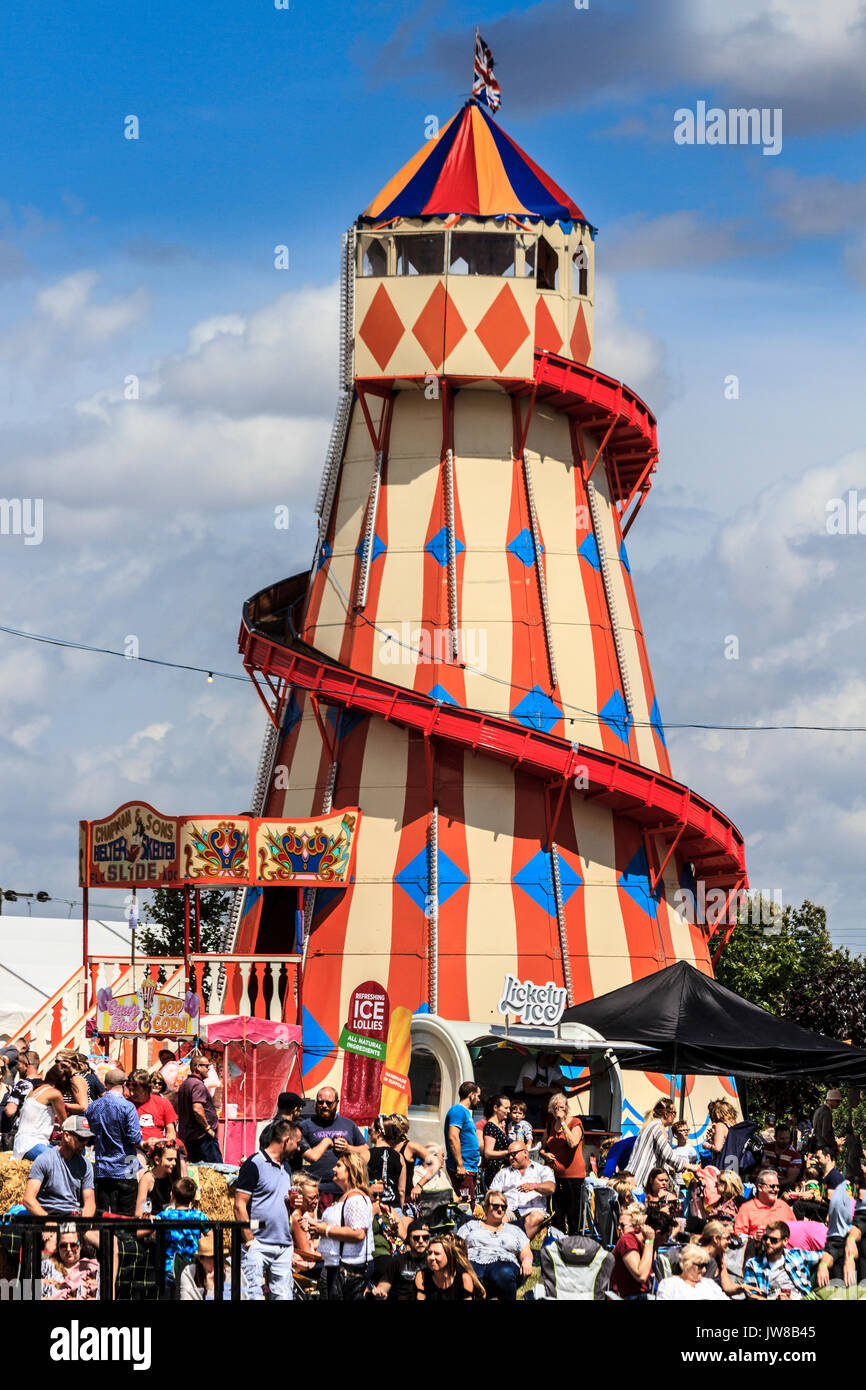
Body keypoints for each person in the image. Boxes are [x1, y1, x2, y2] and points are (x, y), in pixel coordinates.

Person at [234, 1118, 302, 1301]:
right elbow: (239, 1205)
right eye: (297, 1142)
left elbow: (276, 1201)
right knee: (254, 1296)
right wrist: (249, 1240)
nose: (298, 1148)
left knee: (284, 1296)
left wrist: (292, 1203)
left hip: (283, 1245)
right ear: (286, 1140)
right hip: (258, 1244)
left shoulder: (286, 1167)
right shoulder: (254, 1164)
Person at [309, 1153, 375, 1299]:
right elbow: (341, 1226)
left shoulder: (356, 1198)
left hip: (348, 1268)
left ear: (351, 1170)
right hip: (336, 1266)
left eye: (339, 1165)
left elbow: (358, 1233)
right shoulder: (346, 1196)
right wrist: (317, 1227)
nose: (334, 1168)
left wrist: (325, 1230)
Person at [298, 1087, 370, 1206]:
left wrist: (348, 1148)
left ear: (337, 1102)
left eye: (329, 1103)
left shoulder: (348, 1124)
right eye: (321, 1102)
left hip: (345, 1189)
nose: (324, 1106)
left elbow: (365, 1150)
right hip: (316, 1189)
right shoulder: (305, 1125)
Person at [85, 1066, 142, 1215]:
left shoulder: (93, 1107)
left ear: (105, 1085)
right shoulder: (128, 1107)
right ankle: (124, 1239)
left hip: (102, 1165)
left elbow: (89, 1133)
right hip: (128, 1163)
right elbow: (135, 1138)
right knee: (127, 1214)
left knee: (104, 1215)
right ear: (124, 1085)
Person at [460, 1190, 533, 1300]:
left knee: (504, 1273)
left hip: (503, 1263)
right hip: (473, 1261)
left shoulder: (514, 1230)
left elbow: (525, 1250)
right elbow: (456, 1246)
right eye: (495, 1206)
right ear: (486, 1207)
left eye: (503, 1207)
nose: (500, 1209)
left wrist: (527, 1260)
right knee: (466, 1275)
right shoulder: (470, 1226)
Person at [23, 1116, 96, 1218]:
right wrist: (48, 1221)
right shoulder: (45, 1160)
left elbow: (90, 1203)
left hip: (74, 1217)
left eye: (87, 1139)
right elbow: (28, 1199)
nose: (85, 1143)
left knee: (108, 1234)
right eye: (81, 1138)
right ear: (66, 1136)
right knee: (68, 1234)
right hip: (50, 1215)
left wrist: (84, 1223)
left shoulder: (86, 1165)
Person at [489, 1140, 555, 1240]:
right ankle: (503, 1248)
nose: (511, 1158)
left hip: (533, 1210)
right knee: (498, 1217)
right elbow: (491, 1192)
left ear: (525, 1153)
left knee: (536, 1217)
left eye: (514, 1154)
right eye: (509, 1155)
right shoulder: (504, 1172)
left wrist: (534, 1186)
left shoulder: (542, 1169)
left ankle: (520, 1248)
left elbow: (551, 1187)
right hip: (509, 1210)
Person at [539, 1092, 585, 1235]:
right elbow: (542, 1147)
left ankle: (573, 1242)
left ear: (567, 1108)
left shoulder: (575, 1122)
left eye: (561, 1107)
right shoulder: (550, 1125)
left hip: (573, 1175)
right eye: (555, 1108)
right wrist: (544, 1154)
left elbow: (572, 1143)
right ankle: (558, 1242)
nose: (558, 1111)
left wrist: (563, 1123)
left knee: (573, 1213)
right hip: (554, 1175)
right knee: (556, 1212)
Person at [155, 1176, 210, 1290]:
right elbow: (212, 1236)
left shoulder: (164, 1215)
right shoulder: (198, 1216)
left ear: (172, 1195)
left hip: (168, 1268)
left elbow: (153, 1234)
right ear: (194, 1197)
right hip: (191, 1266)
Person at [629, 1098, 697, 1188]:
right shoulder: (657, 1127)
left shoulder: (651, 1126)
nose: (675, 1117)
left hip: (635, 1177)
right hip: (641, 1179)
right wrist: (688, 1166)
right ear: (666, 1114)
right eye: (674, 1113)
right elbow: (668, 1154)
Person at [744, 1221, 815, 1299]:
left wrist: (823, 1265)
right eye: (765, 1238)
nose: (767, 1242)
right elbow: (752, 1295)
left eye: (773, 1240)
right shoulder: (753, 1264)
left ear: (785, 1241)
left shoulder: (796, 1255)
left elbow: (825, 1255)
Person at [13, 1062, 70, 1159]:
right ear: (63, 1081)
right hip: (32, 1144)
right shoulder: (54, 1093)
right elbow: (65, 1124)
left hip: (20, 1143)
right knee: (64, 1159)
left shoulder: (35, 1089)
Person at [370, 1218, 432, 1300]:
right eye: (416, 1238)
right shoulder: (398, 1261)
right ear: (409, 1239)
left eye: (425, 1237)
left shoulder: (433, 1261)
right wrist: (379, 1291)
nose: (421, 1241)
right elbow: (383, 1286)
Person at [175, 1054, 222, 1163]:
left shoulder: (185, 1084)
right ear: (197, 1067)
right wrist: (208, 1129)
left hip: (191, 1136)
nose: (208, 1070)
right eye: (206, 1066)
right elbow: (197, 1108)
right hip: (202, 1137)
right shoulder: (197, 1085)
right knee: (214, 1170)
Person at [179, 1231, 246, 1300]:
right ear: (201, 1259)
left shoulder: (230, 1273)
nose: (216, 1261)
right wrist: (210, 1287)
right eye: (212, 1257)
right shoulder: (189, 1273)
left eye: (219, 1257)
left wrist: (211, 1290)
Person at [444, 1080, 482, 1202]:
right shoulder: (458, 1110)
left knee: (469, 1204)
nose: (479, 1100)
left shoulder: (466, 1112)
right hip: (463, 1168)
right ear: (471, 1095)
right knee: (466, 1206)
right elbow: (453, 1137)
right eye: (478, 1096)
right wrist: (460, 1165)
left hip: (470, 1167)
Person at [40, 1223, 100, 1301]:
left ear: (81, 1245)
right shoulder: (46, 1266)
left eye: (73, 1245)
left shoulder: (92, 1268)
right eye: (63, 1246)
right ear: (58, 1247)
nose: (68, 1249)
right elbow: (27, 1292)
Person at [415, 1234, 483, 1300]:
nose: (431, 1257)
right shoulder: (422, 1276)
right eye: (429, 1253)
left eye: (437, 1253)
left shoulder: (464, 1279)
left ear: (449, 1256)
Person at [734, 1169, 796, 1240]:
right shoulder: (747, 1208)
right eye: (772, 1186)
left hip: (782, 1249)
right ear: (760, 1187)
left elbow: (795, 1230)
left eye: (778, 1186)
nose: (776, 1189)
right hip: (756, 1249)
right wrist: (753, 1237)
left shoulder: (784, 1206)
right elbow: (738, 1234)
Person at [656, 1242, 729, 1300]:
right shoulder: (670, 1284)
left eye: (706, 1265)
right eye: (700, 1266)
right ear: (687, 1265)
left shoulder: (709, 1283)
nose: (704, 1270)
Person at [610, 1204, 655, 1299]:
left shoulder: (640, 1243)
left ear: (637, 1227)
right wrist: (650, 1241)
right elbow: (641, 1276)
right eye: (619, 1224)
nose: (618, 1228)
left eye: (622, 1225)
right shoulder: (627, 1240)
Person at [2, 1049, 41, 1150]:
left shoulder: (22, 1085)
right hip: (39, 1133)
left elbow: (10, 1111)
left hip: (20, 1134)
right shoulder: (45, 1085)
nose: (17, 1067)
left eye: (19, 1063)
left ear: (26, 1065)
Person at [127, 1069, 176, 1144]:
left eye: (135, 1090)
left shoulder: (162, 1102)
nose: (131, 1094)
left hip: (159, 1147)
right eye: (130, 1090)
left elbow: (171, 1131)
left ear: (146, 1088)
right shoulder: (126, 1105)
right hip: (135, 1147)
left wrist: (168, 1146)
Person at [367, 1114, 407, 1207]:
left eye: (370, 1130)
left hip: (372, 1207)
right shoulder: (400, 1157)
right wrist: (400, 1211)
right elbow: (402, 1191)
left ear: (379, 1132)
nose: (369, 1134)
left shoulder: (366, 1155)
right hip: (394, 1209)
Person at [135, 1139, 182, 1216]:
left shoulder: (172, 1178)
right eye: (169, 1159)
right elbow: (139, 1213)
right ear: (157, 1160)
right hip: (154, 1223)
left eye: (175, 1159)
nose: (174, 1163)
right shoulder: (147, 1179)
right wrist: (161, 1218)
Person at [698, 1220, 743, 1296]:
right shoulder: (696, 1257)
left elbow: (727, 1287)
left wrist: (742, 1288)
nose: (729, 1242)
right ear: (715, 1239)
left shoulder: (719, 1257)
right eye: (727, 1238)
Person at [481, 1094, 511, 1188]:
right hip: (496, 1174)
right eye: (506, 1108)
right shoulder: (490, 1126)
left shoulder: (499, 1126)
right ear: (495, 1108)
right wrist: (509, 1152)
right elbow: (488, 1153)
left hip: (501, 1173)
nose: (509, 1111)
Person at [705, 1098, 738, 1166]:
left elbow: (718, 1148)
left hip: (723, 1164)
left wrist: (707, 1145)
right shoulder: (733, 1126)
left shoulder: (720, 1125)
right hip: (734, 1163)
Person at [811, 1088, 843, 1156]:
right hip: (825, 1149)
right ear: (829, 1100)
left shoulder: (819, 1110)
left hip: (818, 1146)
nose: (839, 1104)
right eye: (837, 1101)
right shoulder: (826, 1112)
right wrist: (835, 1146)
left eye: (839, 1101)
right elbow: (826, 1134)